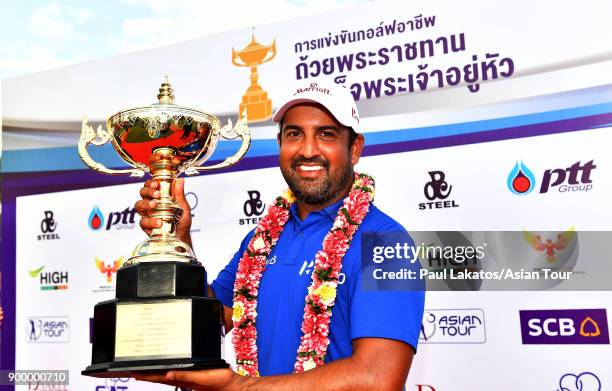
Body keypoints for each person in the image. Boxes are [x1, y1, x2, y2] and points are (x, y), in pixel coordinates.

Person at [134, 81, 425, 390]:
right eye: (294, 134)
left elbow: (378, 379)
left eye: (326, 134)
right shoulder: (260, 240)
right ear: (280, 144)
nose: (308, 150)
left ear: (354, 148)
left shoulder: (389, 244)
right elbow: (210, 318)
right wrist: (178, 239)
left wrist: (238, 387)